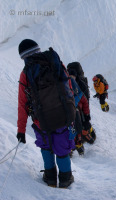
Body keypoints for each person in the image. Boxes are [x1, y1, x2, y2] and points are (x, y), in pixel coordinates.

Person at [17, 39, 75, 188]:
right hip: (63, 116)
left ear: (23, 57)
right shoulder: (56, 62)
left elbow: (22, 104)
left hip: (41, 120)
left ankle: (50, 177)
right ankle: (65, 178)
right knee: (62, 149)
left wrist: (21, 130)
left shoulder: (25, 74)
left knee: (46, 146)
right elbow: (69, 89)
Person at [68, 68, 96, 145]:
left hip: (80, 112)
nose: (71, 78)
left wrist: (87, 115)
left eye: (73, 77)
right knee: (73, 128)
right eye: (70, 76)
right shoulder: (66, 86)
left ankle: (85, 135)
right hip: (72, 112)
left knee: (82, 125)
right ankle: (76, 143)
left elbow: (85, 101)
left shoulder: (78, 87)